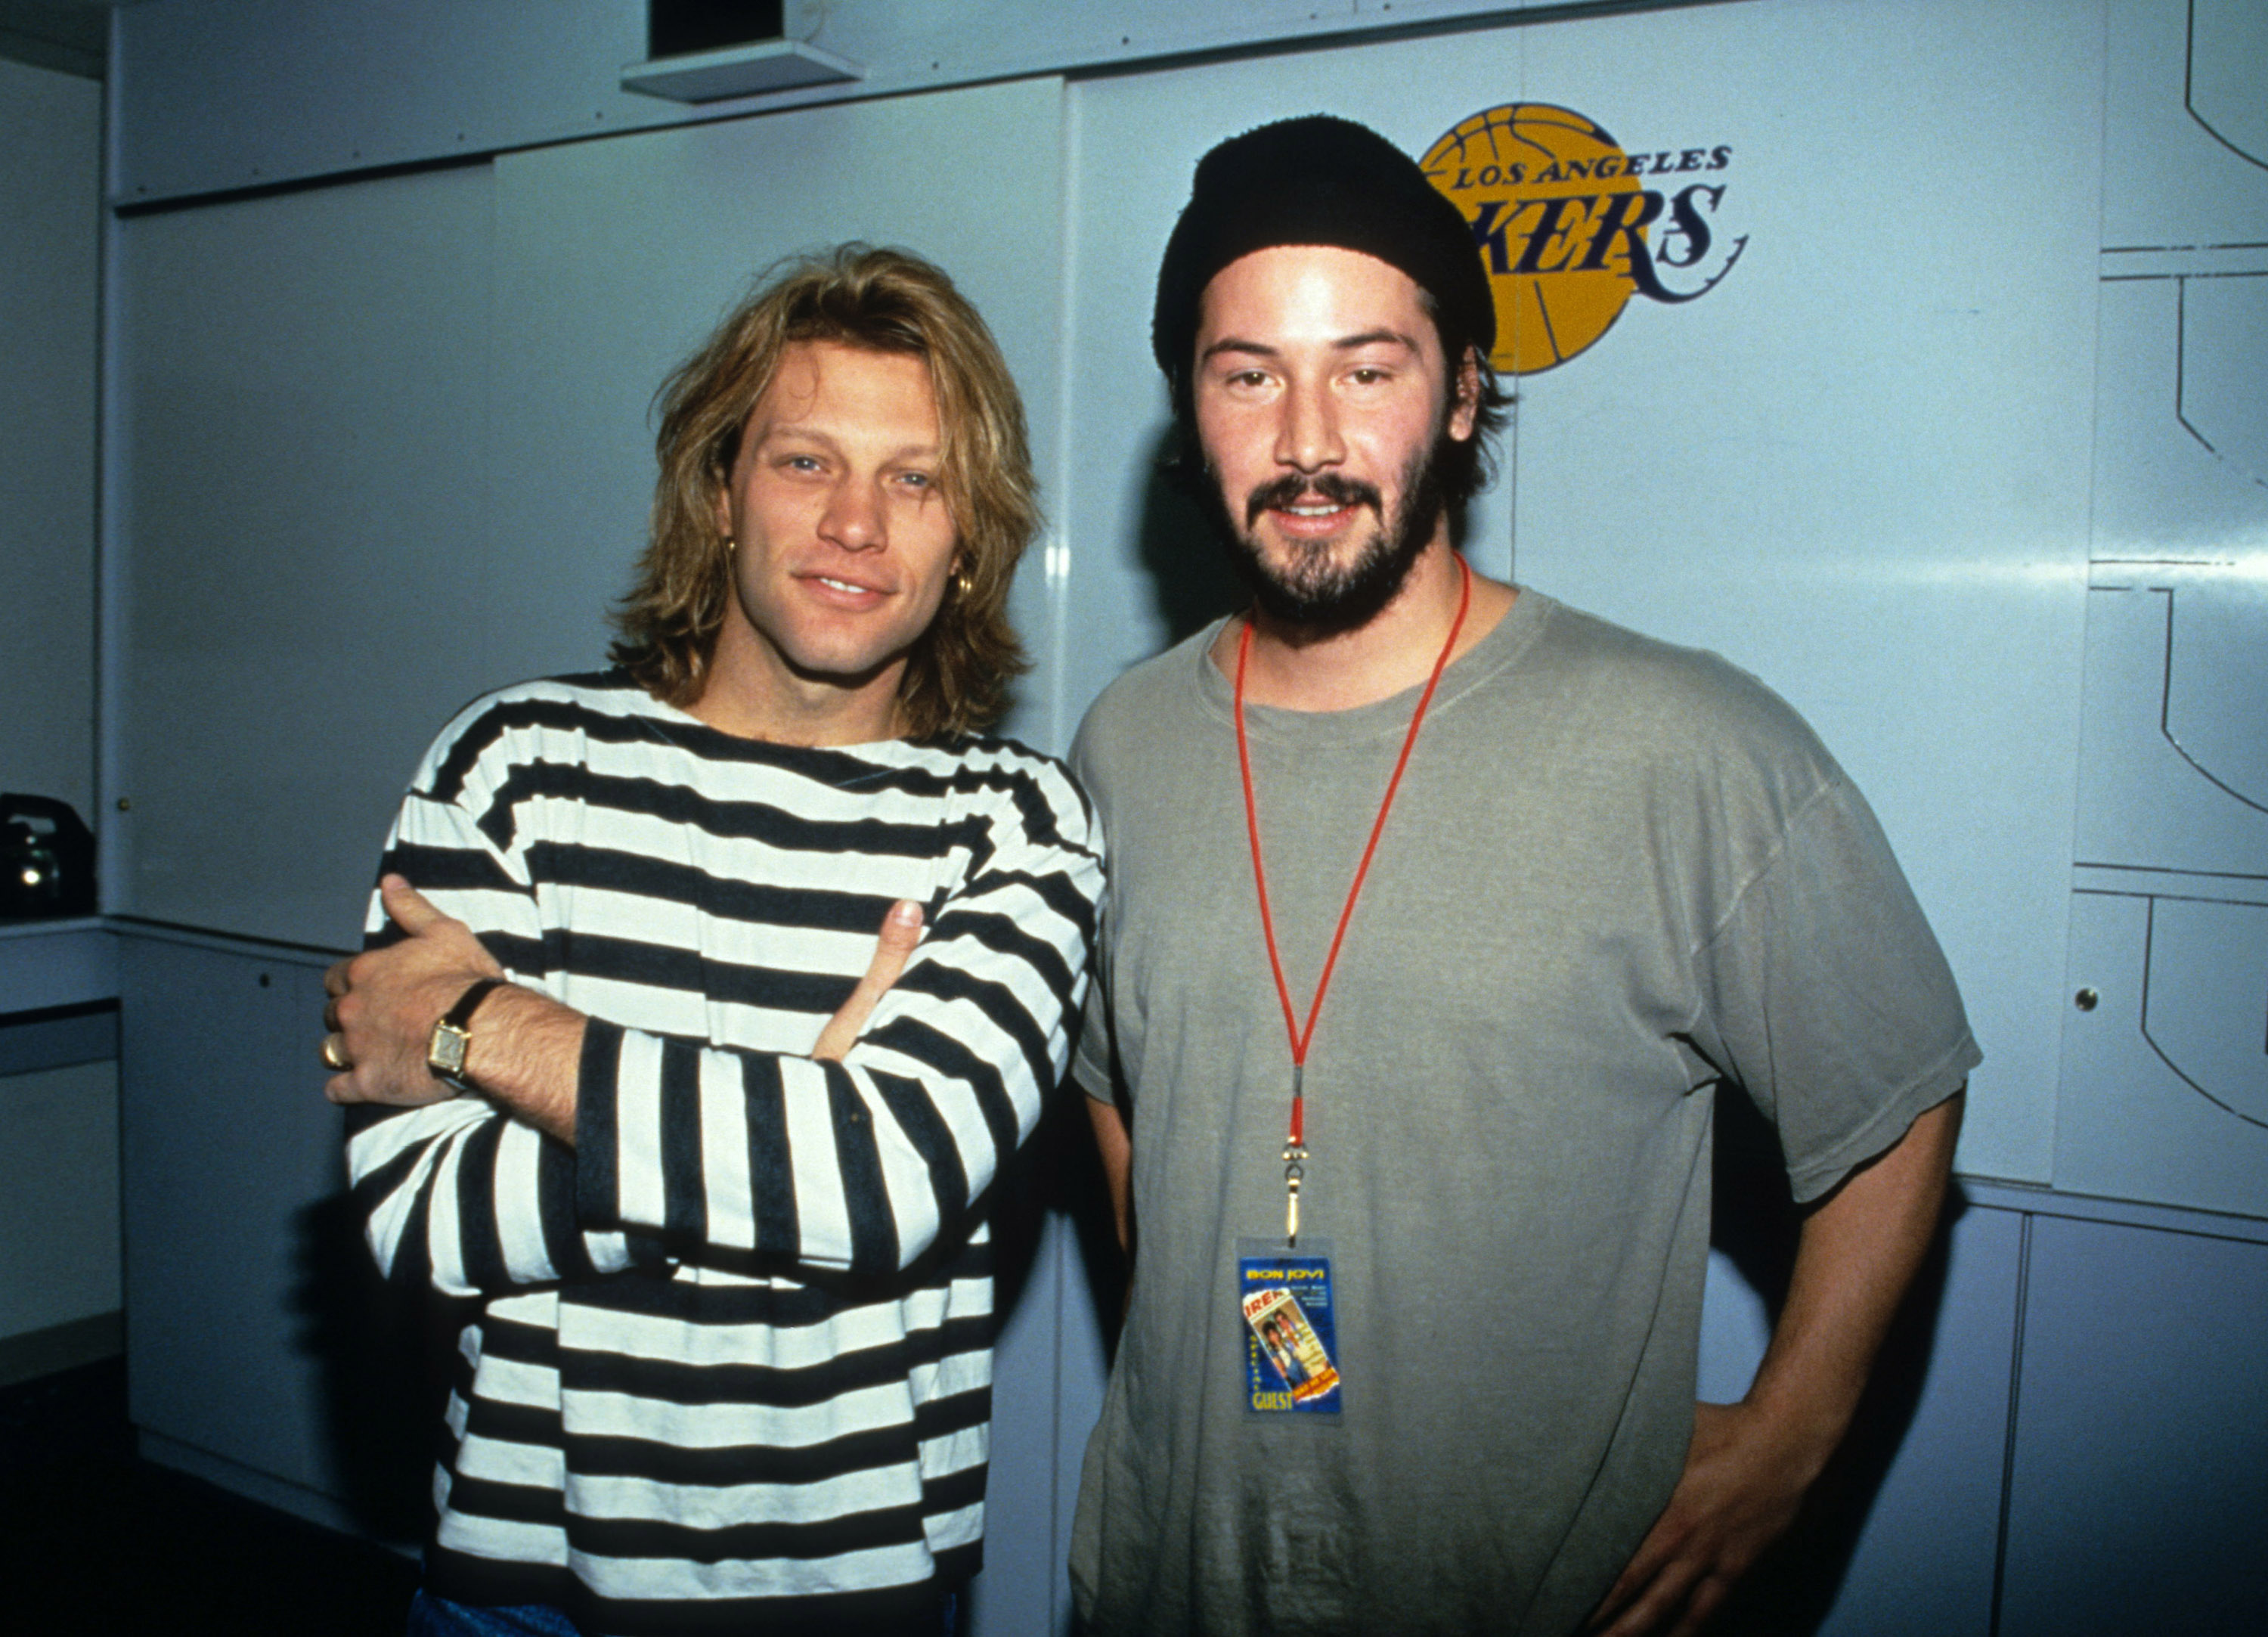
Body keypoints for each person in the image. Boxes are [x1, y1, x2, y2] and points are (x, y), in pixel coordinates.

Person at [1065, 116, 1978, 1637]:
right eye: (1248, 375)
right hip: (1172, 1580)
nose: (1306, 439)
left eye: (1369, 369)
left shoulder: (1684, 744)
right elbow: (1110, 1067)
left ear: (1469, 394)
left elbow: (1899, 1096)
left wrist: (1791, 1437)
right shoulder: (1123, 739)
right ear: (1191, 412)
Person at [318, 245, 1102, 1637]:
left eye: (915, 479)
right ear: (720, 486)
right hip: (520, 1589)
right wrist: (785, 1121)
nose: (857, 522)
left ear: (969, 536)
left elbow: (890, 1177)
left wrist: (483, 1030)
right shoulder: (513, 765)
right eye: (806, 461)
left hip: (849, 1598)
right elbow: (420, 1217)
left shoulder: (1020, 821)